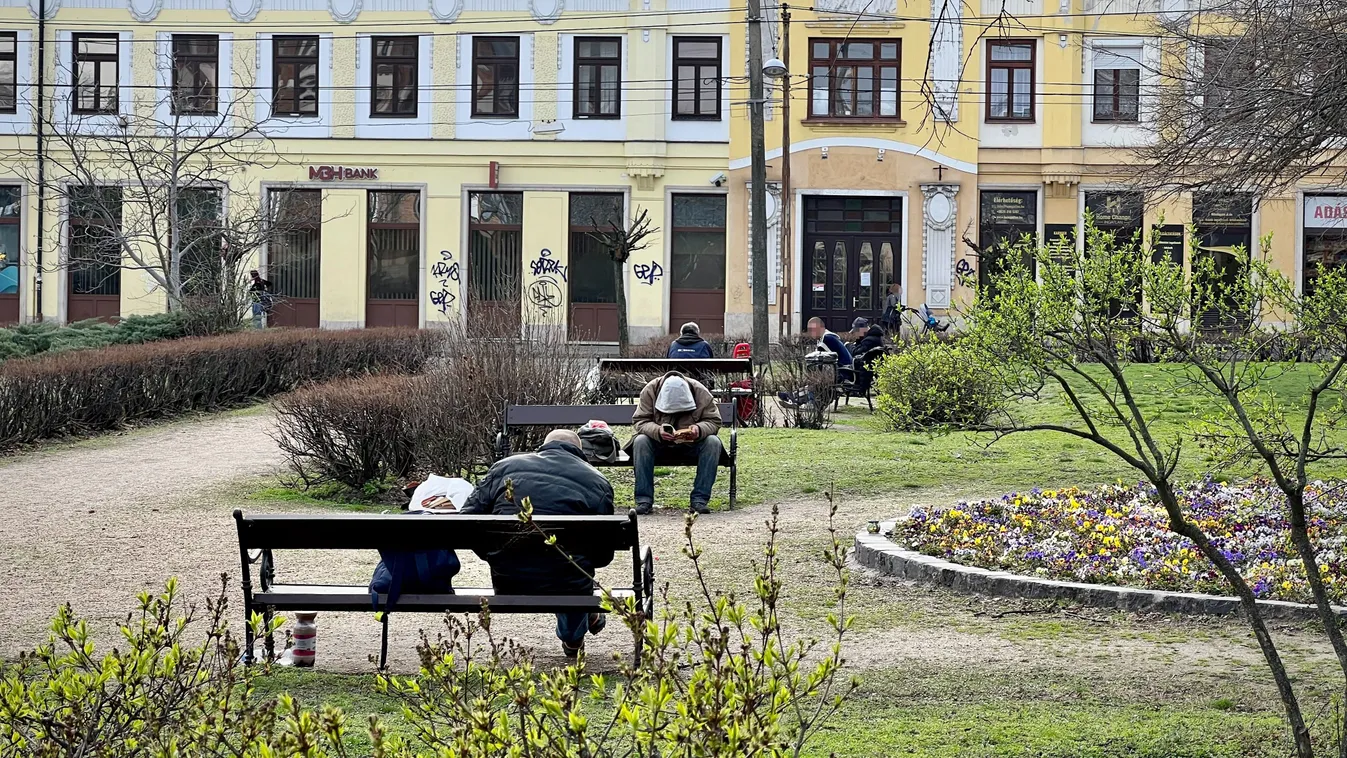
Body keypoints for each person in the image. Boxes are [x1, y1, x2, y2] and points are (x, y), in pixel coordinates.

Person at [459, 429, 615, 657]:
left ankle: (581, 620)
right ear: (579, 452)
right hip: (568, 582)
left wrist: (493, 553)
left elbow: (466, 521)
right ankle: (573, 637)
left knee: (565, 566)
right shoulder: (597, 481)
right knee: (573, 570)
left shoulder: (504, 467)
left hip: (508, 577)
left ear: (544, 446)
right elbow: (603, 556)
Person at [628, 372, 723, 516]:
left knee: (713, 442)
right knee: (641, 441)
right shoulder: (650, 390)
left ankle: (699, 500)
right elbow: (640, 421)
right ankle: (644, 501)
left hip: (692, 445)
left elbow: (714, 421)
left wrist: (700, 429)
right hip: (658, 444)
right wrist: (657, 431)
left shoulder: (701, 392)